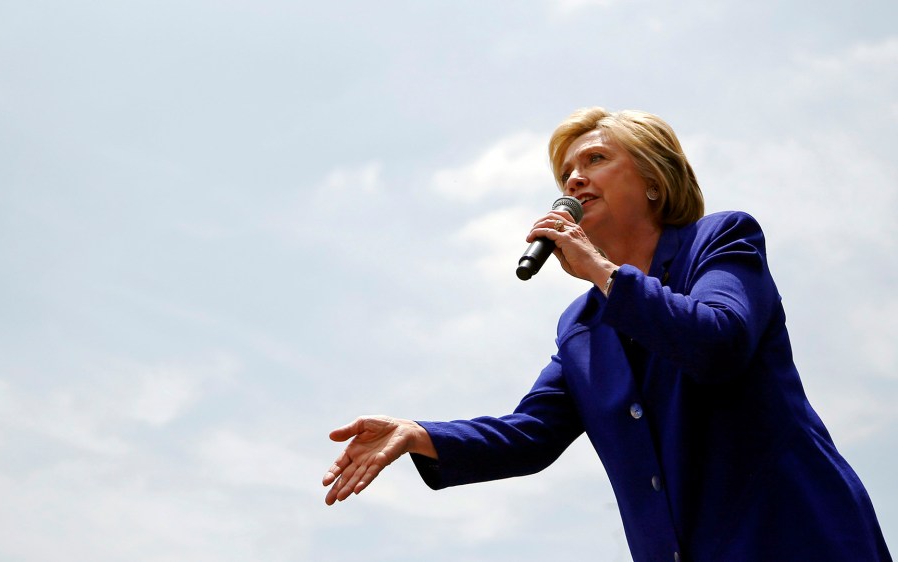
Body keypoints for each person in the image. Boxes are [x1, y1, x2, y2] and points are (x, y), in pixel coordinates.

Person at [321, 107, 892, 561]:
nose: (573, 178)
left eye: (595, 159)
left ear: (653, 181)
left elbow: (719, 342)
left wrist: (600, 270)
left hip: (795, 540)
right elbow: (531, 434)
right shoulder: (583, 325)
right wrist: (420, 433)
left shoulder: (720, 242)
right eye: (566, 172)